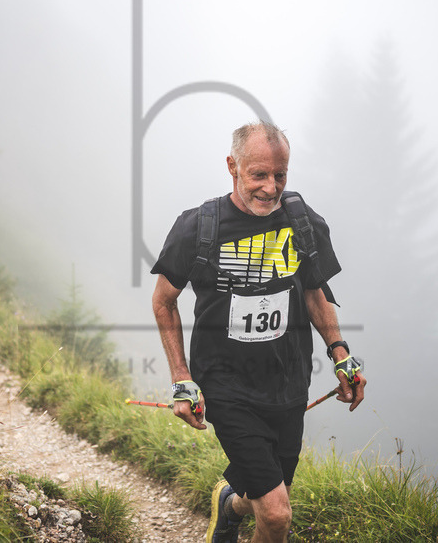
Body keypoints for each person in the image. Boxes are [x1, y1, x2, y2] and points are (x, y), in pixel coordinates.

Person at [151, 121, 366, 542]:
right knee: (277, 515)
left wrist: (340, 353)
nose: (271, 188)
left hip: (288, 382)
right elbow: (163, 301)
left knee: (264, 493)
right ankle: (241, 507)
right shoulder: (198, 227)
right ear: (232, 166)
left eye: (280, 175)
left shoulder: (302, 223)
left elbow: (313, 291)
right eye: (259, 175)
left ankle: (227, 504)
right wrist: (181, 377)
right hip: (225, 385)